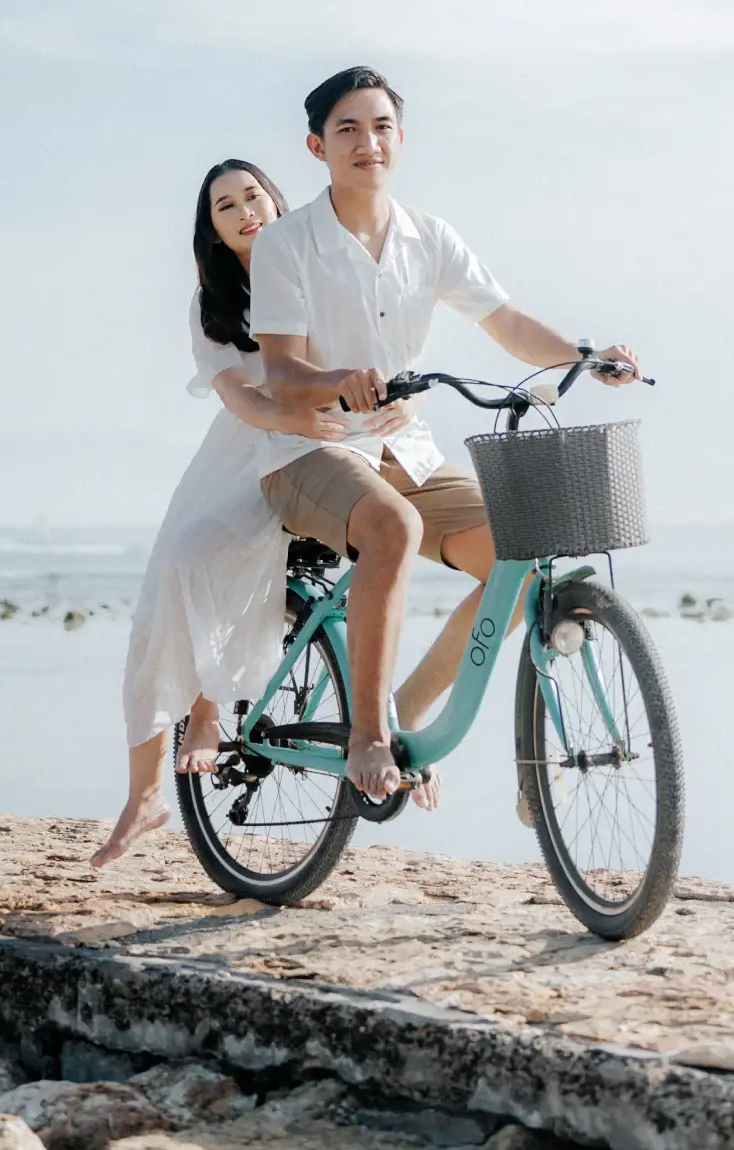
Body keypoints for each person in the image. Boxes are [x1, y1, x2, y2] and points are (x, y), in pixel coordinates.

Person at [249, 64, 639, 809]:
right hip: (310, 450)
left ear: (401, 138)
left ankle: (408, 709)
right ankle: (369, 734)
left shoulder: (429, 238)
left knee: (522, 557)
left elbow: (507, 323)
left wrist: (584, 356)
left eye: (382, 126)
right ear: (317, 146)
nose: (368, 142)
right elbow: (282, 375)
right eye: (348, 129)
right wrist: (339, 380)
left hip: (403, 447)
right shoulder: (286, 244)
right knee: (391, 526)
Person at [91, 158, 350, 870]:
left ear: (277, 201)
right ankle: (147, 792)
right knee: (170, 581)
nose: (244, 212)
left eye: (252, 196)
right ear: (211, 228)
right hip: (240, 456)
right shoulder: (211, 306)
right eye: (225, 206)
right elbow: (240, 398)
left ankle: (386, 731)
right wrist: (293, 419)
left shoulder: (319, 271)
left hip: (326, 445)